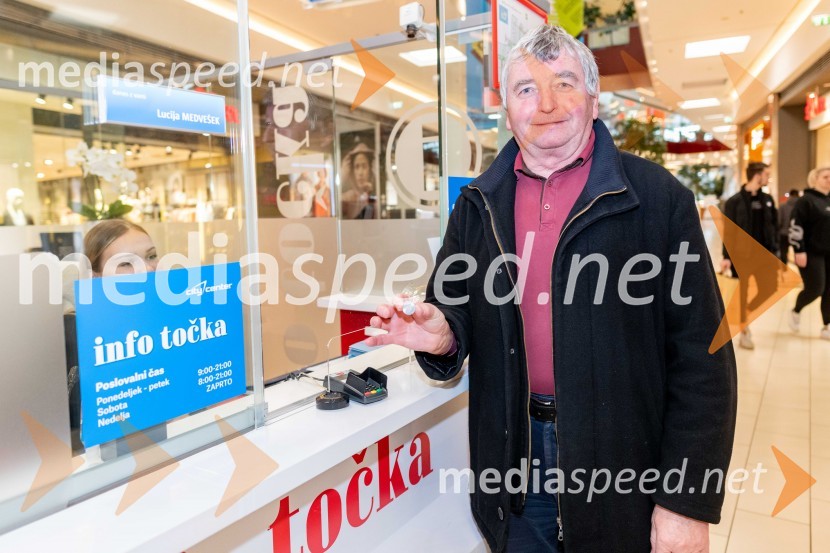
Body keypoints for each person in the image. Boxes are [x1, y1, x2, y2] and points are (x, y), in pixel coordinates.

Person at [365, 25, 736, 553]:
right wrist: (441, 335)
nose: (546, 104)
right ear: (507, 109)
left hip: (626, 463)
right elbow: (454, 311)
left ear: (593, 96)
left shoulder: (657, 200)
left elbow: (705, 360)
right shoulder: (478, 203)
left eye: (563, 82)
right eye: (525, 89)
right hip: (515, 463)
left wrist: (685, 503)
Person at [66, 220, 159, 452]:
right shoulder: (75, 335)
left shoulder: (170, 324)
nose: (148, 269)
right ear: (96, 276)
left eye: (151, 256)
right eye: (127, 262)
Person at [720, 162, 778, 349]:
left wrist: (777, 252)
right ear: (756, 175)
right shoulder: (734, 201)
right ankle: (744, 330)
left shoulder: (767, 199)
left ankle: (744, 312)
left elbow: (774, 227)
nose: (768, 177)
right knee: (742, 293)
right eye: (766, 174)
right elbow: (728, 231)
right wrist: (726, 256)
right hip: (741, 255)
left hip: (765, 254)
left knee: (770, 288)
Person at [788, 166, 830, 339]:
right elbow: (795, 226)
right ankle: (796, 310)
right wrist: (799, 249)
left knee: (829, 290)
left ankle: (826, 326)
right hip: (811, 253)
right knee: (816, 288)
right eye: (826, 177)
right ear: (815, 179)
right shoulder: (806, 200)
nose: (829, 180)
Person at [340, 143, 376, 219]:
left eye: (364, 166)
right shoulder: (348, 197)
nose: (360, 173)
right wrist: (341, 178)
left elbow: (368, 217)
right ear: (353, 171)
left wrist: (370, 193)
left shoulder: (373, 197)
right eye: (357, 167)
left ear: (370, 169)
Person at [778, 188, 800, 264]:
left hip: (784, 233)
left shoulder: (782, 206)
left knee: (783, 252)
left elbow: (779, 221)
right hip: (798, 234)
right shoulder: (801, 207)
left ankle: (784, 269)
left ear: (790, 195)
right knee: (798, 252)